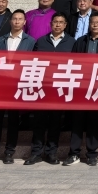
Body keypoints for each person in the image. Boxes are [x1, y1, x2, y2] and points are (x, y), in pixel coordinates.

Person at [64, 13, 98, 166]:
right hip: (82, 86)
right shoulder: (81, 41)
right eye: (92, 22)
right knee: (77, 121)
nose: (95, 25)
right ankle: (74, 153)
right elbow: (73, 62)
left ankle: (92, 153)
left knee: (94, 121)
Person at [0, 10, 36, 164]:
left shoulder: (30, 41)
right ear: (10, 21)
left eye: (20, 19)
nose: (17, 21)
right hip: (0, 85)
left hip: (17, 85)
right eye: (14, 19)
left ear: (25, 22)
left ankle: (9, 152)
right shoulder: (0, 40)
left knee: (13, 120)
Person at [27, 13, 75, 165]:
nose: (58, 25)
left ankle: (51, 153)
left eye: (61, 22)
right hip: (43, 87)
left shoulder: (72, 42)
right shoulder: (41, 41)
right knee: (39, 121)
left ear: (65, 25)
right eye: (55, 22)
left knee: (55, 121)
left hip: (59, 88)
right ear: (51, 24)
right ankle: (36, 152)